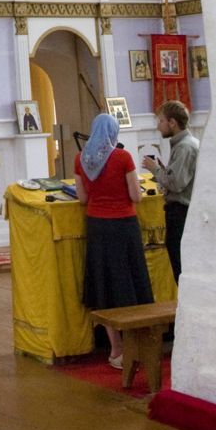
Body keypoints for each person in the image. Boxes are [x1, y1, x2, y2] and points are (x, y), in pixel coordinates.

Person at [74, 112, 153, 369]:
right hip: (123, 226)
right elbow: (136, 196)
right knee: (130, 284)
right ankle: (136, 345)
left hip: (97, 227)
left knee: (105, 285)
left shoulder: (81, 159)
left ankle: (116, 349)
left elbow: (83, 198)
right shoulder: (122, 157)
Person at [141, 99, 200, 283]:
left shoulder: (185, 147)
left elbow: (176, 183)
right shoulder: (184, 144)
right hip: (181, 212)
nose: (158, 126)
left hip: (181, 213)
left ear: (172, 122)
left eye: (161, 121)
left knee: (182, 269)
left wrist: (155, 170)